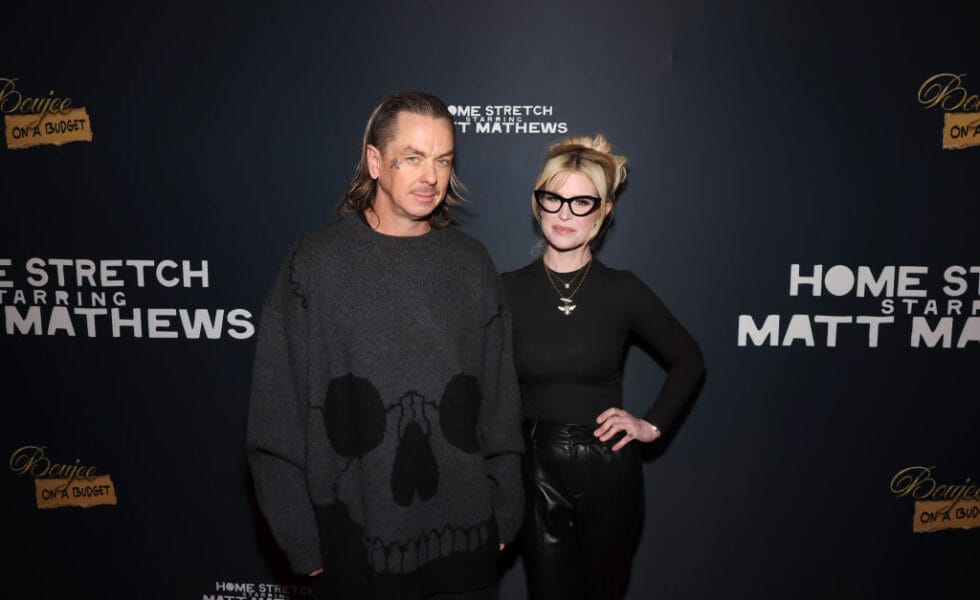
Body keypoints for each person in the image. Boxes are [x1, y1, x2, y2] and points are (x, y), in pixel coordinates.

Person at [246, 91, 523, 600]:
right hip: (354, 554)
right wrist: (302, 543)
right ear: (375, 161)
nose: (431, 176)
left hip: (464, 546)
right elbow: (275, 416)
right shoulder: (314, 264)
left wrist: (506, 511)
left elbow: (500, 400)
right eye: (413, 157)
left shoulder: (471, 264)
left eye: (443, 160)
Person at [502, 134, 705, 599]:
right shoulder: (506, 290)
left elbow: (689, 359)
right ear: (538, 203)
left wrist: (651, 425)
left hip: (610, 468)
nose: (565, 213)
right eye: (553, 199)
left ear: (604, 210)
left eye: (581, 202)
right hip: (534, 468)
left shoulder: (623, 290)